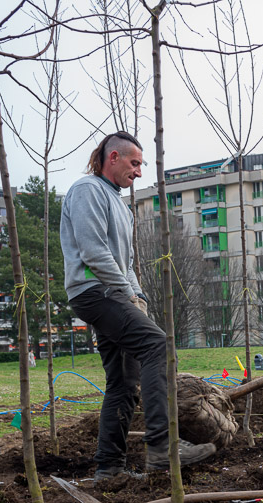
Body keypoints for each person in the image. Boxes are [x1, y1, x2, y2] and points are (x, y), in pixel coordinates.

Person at [61, 131, 216, 480]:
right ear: (112, 157)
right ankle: (162, 447)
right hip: (93, 291)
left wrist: (139, 297)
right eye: (134, 163)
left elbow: (126, 262)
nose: (139, 172)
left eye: (141, 165)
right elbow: (94, 254)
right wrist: (126, 295)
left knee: (123, 382)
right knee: (156, 344)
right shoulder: (87, 191)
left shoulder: (121, 205)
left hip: (113, 292)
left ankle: (110, 468)